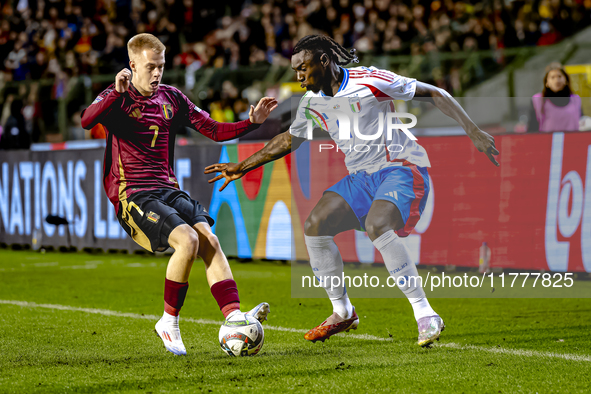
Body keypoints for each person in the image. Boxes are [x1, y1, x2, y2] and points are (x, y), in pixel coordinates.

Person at [205, 35, 499, 347]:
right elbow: (288, 140)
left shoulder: (370, 79)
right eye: (294, 71)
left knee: (377, 224)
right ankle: (343, 311)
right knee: (315, 226)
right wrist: (243, 165)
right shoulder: (311, 104)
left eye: (302, 68)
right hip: (361, 177)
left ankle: (425, 313)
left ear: (323, 61)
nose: (298, 76)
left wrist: (474, 131)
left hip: (401, 167)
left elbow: (434, 92)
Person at [80, 33, 278, 356]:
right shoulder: (118, 97)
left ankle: (233, 316)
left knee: (208, 239)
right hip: (134, 195)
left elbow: (213, 128)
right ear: (132, 66)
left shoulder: (171, 99)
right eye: (150, 67)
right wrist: (114, 93)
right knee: (187, 241)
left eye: (161, 66)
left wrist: (250, 123)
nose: (157, 73)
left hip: (168, 190)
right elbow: (87, 119)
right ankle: (168, 322)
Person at [528, 62, 582, 133]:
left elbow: (582, 123)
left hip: (571, 141)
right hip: (547, 142)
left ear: (565, 80)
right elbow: (532, 129)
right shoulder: (538, 101)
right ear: (547, 82)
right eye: (552, 77)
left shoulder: (575, 100)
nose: (557, 80)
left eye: (559, 76)